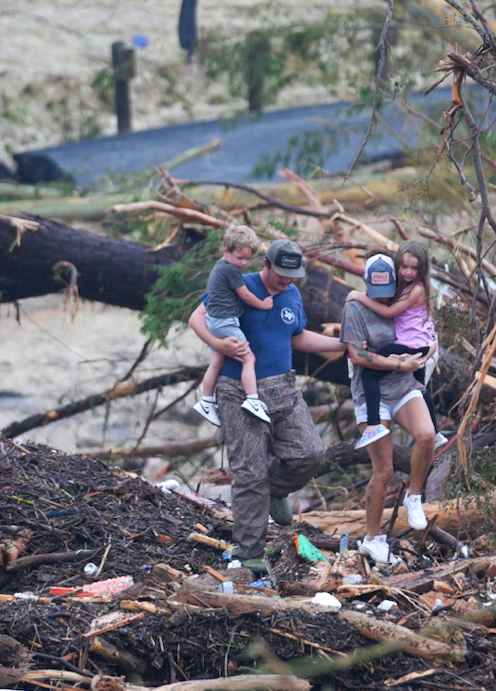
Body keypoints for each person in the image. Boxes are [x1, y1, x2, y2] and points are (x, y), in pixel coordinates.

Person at [187, 239, 345, 571]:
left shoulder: (292, 294)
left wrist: (341, 343)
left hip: (283, 388)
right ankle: (249, 555)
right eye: (282, 274)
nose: (287, 280)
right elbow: (196, 319)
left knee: (311, 453)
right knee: (249, 474)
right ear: (266, 263)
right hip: (237, 390)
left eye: (293, 275)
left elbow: (297, 336)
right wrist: (219, 344)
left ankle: (274, 490)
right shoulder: (238, 282)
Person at [340, 253, 437, 565]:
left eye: (387, 289)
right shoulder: (355, 308)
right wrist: (398, 362)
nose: (382, 296)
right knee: (383, 469)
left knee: (427, 436)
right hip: (371, 393)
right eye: (375, 290)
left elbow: (424, 329)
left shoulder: (404, 296)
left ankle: (414, 496)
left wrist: (428, 350)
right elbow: (356, 355)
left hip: (403, 385)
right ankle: (372, 538)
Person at [345, 242, 444, 450]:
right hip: (419, 345)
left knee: (369, 374)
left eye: (414, 268)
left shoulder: (415, 290)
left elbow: (390, 313)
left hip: (411, 345)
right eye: (404, 267)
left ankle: (374, 424)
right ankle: (435, 434)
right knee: (420, 387)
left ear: (422, 269)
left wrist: (359, 296)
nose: (408, 272)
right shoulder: (410, 288)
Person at [193, 226, 274, 425]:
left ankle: (206, 401)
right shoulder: (231, 271)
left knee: (216, 362)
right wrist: (263, 304)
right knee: (249, 358)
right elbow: (245, 295)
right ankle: (252, 399)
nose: (244, 263)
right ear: (226, 251)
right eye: (240, 258)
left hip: (213, 321)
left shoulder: (220, 266)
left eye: (247, 259)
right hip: (225, 322)